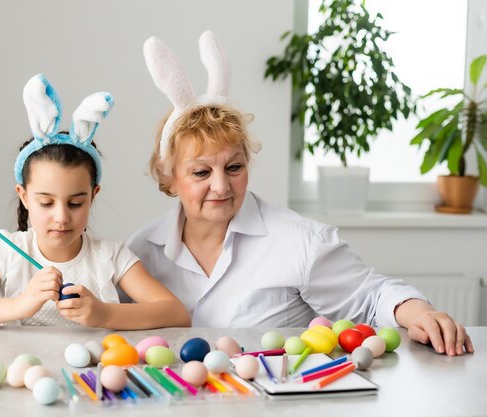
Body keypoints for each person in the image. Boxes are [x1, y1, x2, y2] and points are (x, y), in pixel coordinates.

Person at [127, 31, 473, 355]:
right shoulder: (140, 253)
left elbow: (372, 296)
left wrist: (421, 314)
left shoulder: (299, 242)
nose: (221, 186)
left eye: (234, 167)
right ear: (168, 177)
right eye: (201, 172)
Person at [0, 74, 190, 330]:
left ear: (93, 195)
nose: (62, 217)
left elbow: (176, 314)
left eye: (75, 203)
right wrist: (20, 305)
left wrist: (104, 313)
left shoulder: (110, 256)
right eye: (46, 203)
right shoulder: (6, 253)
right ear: (24, 196)